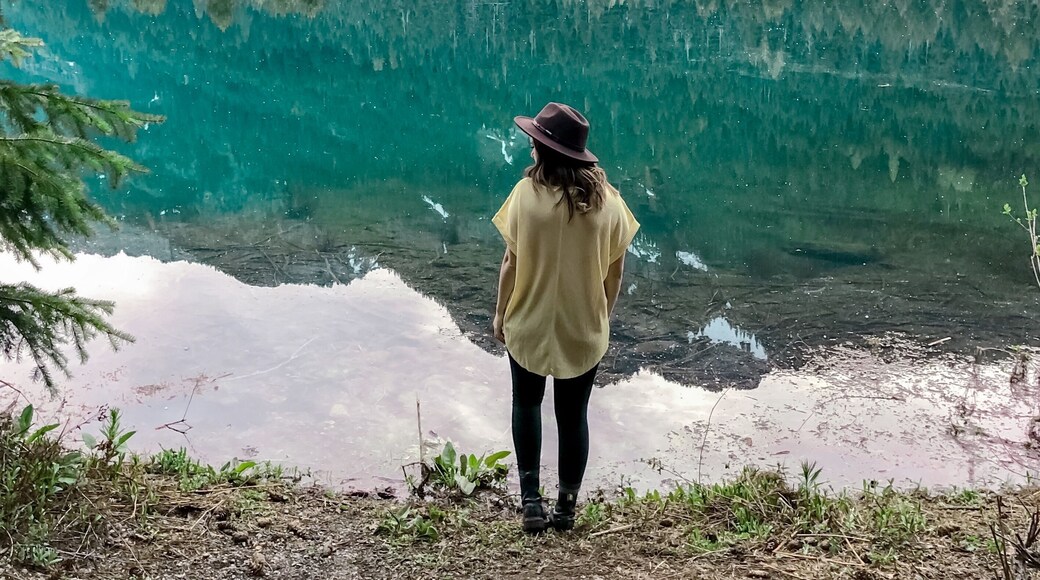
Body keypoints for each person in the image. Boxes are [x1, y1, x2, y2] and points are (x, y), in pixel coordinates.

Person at [491, 102, 639, 534]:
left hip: (528, 323)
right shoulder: (609, 204)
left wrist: (500, 314)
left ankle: (531, 503)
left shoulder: (525, 197)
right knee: (574, 417)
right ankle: (568, 508)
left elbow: (510, 262)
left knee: (526, 403)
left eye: (535, 143)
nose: (532, 150)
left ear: (544, 149)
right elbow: (616, 271)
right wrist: (602, 317)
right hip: (583, 329)